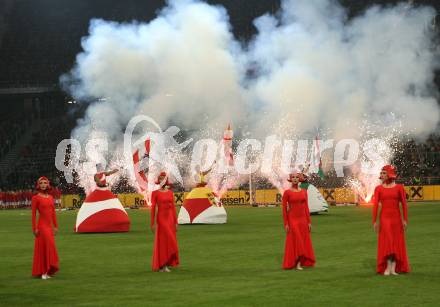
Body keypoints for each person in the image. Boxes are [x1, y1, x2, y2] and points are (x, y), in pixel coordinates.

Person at [373, 165, 410, 275]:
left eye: (384, 173)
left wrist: (405, 220)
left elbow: (404, 204)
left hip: (396, 219)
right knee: (388, 242)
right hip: (384, 219)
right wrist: (374, 221)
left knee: (395, 243)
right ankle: (388, 267)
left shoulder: (399, 188)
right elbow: (375, 206)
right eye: (381, 173)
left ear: (390, 174)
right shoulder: (378, 189)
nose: (381, 175)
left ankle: (393, 268)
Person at [282, 172, 315, 270]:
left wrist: (309, 222)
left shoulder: (304, 191)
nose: (295, 179)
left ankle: (300, 262)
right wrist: (286, 223)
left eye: (297, 177)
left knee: (303, 241)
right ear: (290, 179)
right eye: (293, 177)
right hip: (292, 219)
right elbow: (284, 209)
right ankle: (297, 263)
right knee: (296, 240)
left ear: (299, 179)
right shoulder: (287, 192)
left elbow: (306, 208)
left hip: (303, 220)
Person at [150, 172, 179, 272]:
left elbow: (173, 208)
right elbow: (153, 208)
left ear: (166, 181)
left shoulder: (170, 192)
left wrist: (176, 222)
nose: (162, 181)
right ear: (159, 181)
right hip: (161, 219)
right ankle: (162, 265)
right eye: (160, 179)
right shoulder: (155, 193)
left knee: (170, 241)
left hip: (170, 219)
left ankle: (166, 263)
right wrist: (152, 223)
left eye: (164, 179)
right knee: (164, 241)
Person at [31, 177, 59, 279]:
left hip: (49, 227)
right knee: (46, 247)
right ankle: (44, 272)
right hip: (42, 227)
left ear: (48, 184)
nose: (43, 185)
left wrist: (55, 226)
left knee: (50, 247)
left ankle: (48, 271)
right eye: (41, 183)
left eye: (45, 183)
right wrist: (34, 228)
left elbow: (53, 213)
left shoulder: (51, 197)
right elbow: (33, 214)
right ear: (38, 185)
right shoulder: (35, 198)